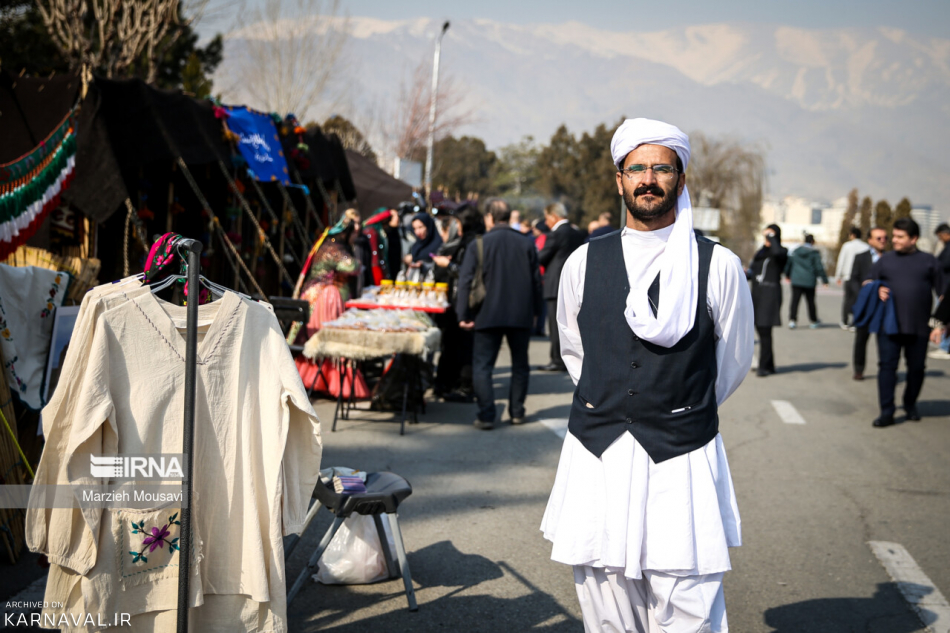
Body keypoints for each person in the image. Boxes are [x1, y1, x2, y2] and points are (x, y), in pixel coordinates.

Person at [541, 118, 753, 633]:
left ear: (682, 179)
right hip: (599, 452)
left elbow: (734, 361)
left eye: (662, 167)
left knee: (690, 608)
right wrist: (612, 398)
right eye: (637, 168)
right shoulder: (583, 262)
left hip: (681, 456)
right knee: (605, 602)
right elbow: (577, 351)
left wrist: (678, 402)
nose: (649, 179)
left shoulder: (718, 265)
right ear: (620, 180)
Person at [456, 198, 542, 430]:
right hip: (520, 313)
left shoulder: (479, 244)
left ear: (490, 218)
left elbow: (465, 281)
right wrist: (537, 312)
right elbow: (536, 281)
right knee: (520, 365)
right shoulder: (526, 243)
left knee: (483, 366)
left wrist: (462, 313)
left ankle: (486, 415)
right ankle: (517, 412)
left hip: (487, 313)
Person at [869, 217, 945, 427]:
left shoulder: (930, 261)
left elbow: (943, 295)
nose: (894, 240)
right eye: (894, 236)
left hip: (920, 327)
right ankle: (887, 411)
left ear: (914, 239)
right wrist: (876, 288)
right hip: (888, 326)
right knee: (886, 367)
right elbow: (868, 282)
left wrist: (940, 324)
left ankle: (910, 404)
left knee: (917, 369)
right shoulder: (884, 260)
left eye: (900, 237)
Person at [293, 209, 370, 399]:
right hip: (325, 296)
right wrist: (360, 264)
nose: (357, 232)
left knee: (314, 337)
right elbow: (350, 265)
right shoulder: (336, 247)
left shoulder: (326, 243)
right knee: (331, 337)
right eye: (354, 228)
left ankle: (315, 378)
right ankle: (334, 381)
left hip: (314, 295)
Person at [431, 205, 485, 400]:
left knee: (463, 345)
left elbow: (467, 273)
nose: (456, 226)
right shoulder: (469, 241)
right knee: (455, 344)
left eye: (458, 222)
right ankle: (453, 384)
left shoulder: (474, 242)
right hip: (461, 301)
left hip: (468, 302)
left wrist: (449, 265)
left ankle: (465, 387)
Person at [537, 202, 584, 372]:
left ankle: (557, 359)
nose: (546, 222)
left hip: (555, 284)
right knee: (571, 324)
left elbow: (542, 257)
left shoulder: (555, 234)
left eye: (547, 218)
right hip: (574, 282)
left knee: (556, 324)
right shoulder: (576, 233)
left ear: (553, 216)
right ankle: (570, 359)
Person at [749, 224, 788, 376]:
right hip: (757, 295)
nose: (767, 238)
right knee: (761, 330)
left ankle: (764, 366)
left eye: (770, 235)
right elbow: (753, 271)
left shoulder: (781, 252)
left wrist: (772, 238)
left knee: (765, 330)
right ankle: (769, 365)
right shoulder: (761, 252)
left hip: (770, 296)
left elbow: (778, 253)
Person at [850, 227, 888, 380]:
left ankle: (886, 370)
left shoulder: (891, 258)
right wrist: (863, 295)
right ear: (870, 240)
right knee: (861, 339)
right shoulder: (861, 257)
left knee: (885, 341)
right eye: (878, 238)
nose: (882, 241)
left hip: (884, 306)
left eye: (885, 237)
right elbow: (853, 279)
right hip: (866, 305)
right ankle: (859, 369)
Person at [784, 234, 829, 329]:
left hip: (796, 280)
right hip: (809, 281)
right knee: (810, 302)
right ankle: (813, 320)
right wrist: (824, 280)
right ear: (812, 242)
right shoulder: (814, 253)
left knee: (795, 301)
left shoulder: (796, 251)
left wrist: (787, 274)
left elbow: (789, 263)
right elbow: (819, 267)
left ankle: (792, 320)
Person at [835, 226, 870, 329]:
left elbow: (841, 261)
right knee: (858, 299)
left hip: (848, 276)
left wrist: (838, 275)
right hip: (861, 278)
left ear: (853, 235)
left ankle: (845, 321)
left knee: (847, 299)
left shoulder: (847, 246)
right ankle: (855, 322)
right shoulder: (865, 246)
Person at [930, 223, 950, 359]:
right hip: (944, 288)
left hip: (946, 289)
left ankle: (945, 346)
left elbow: (942, 264)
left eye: (940, 236)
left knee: (945, 318)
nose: (940, 239)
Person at [403, 212, 443, 280]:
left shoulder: (439, 245)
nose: (417, 232)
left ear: (428, 226)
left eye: (420, 227)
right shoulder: (416, 245)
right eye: (414, 228)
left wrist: (424, 265)